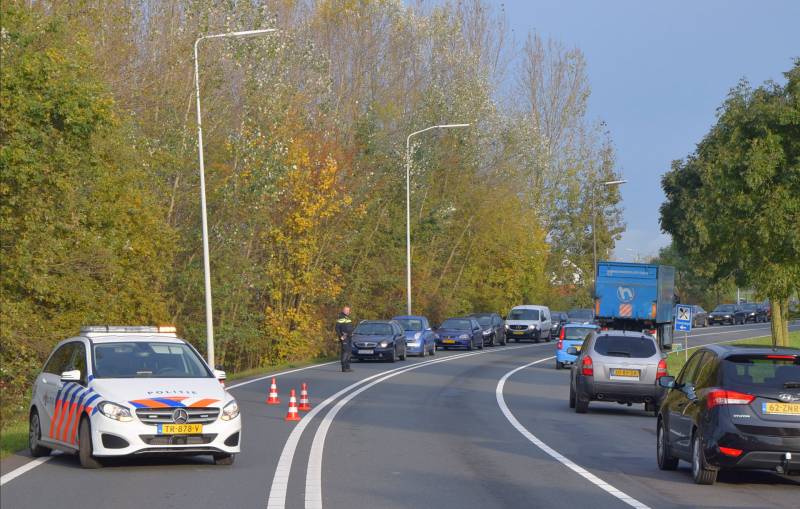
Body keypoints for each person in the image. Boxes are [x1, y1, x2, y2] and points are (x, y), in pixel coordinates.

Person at [335, 306, 354, 372]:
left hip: (349, 337)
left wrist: (351, 333)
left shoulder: (347, 318)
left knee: (349, 352)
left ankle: (348, 367)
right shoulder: (341, 317)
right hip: (344, 337)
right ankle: (344, 367)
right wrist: (341, 336)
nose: (348, 312)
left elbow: (349, 327)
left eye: (348, 310)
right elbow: (337, 328)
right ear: (343, 310)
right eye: (346, 310)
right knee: (345, 352)